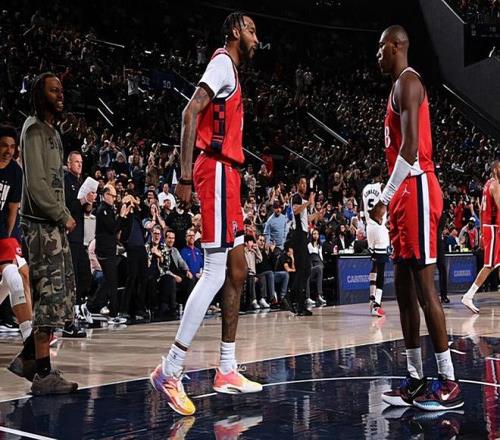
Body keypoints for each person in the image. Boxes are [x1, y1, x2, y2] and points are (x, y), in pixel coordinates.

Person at [150, 12, 262, 415]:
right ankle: (170, 369)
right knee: (215, 272)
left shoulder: (231, 70)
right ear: (234, 31)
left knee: (237, 270)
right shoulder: (221, 63)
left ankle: (227, 368)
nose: (256, 37)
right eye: (250, 30)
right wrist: (183, 174)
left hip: (227, 174)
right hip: (213, 169)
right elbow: (189, 112)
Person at [372, 26, 463, 411]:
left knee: (425, 290)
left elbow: (410, 150)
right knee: (405, 291)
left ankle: (449, 382)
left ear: (396, 46)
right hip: (403, 194)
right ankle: (414, 377)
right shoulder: (397, 87)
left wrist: (383, 199)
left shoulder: (409, 83)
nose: (377, 55)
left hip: (418, 188)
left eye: (381, 48)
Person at [19, 73, 78, 394]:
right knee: (48, 297)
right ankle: (42, 374)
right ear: (40, 95)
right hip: (41, 225)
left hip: (53, 226)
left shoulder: (53, 132)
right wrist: (62, 215)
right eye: (54, 91)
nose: (60, 95)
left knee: (61, 298)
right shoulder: (33, 130)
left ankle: (30, 361)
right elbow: (36, 184)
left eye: (61, 90)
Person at [0, 125, 37, 381]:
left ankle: (30, 345)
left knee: (17, 277)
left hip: (3, 236)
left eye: (12, 147)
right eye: (4, 145)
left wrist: (8, 240)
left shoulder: (15, 172)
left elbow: (12, 210)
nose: (8, 151)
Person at [461, 161, 500, 313]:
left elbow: (482, 210)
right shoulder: (495, 184)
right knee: (489, 265)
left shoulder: (487, 184)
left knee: (496, 263)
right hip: (493, 228)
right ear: (495, 170)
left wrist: (482, 233)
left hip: (488, 227)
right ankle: (468, 296)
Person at [64, 150, 95, 330]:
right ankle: (73, 310)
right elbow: (67, 206)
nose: (79, 165)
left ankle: (80, 304)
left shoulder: (80, 182)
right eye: (76, 162)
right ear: (69, 163)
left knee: (84, 274)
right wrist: (83, 200)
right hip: (70, 235)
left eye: (81, 162)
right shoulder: (65, 180)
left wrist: (89, 202)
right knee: (74, 274)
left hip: (80, 235)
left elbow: (86, 211)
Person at [87, 185, 127, 325]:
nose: (114, 199)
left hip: (109, 249)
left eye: (115, 196)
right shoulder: (102, 210)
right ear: (105, 195)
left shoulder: (109, 209)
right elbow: (113, 228)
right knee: (112, 281)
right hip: (105, 250)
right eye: (112, 196)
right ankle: (113, 313)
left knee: (109, 280)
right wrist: (121, 216)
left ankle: (93, 305)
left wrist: (122, 217)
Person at [290, 176, 323, 316]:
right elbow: (295, 211)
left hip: (304, 236)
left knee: (306, 270)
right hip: (298, 236)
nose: (304, 185)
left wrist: (317, 214)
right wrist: (309, 202)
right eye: (302, 183)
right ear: (298, 185)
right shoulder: (296, 197)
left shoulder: (303, 200)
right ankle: (292, 298)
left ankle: (300, 303)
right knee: (302, 270)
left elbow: (307, 219)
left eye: (305, 183)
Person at [361, 163, 389, 317]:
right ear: (380, 174)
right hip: (379, 228)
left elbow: (361, 211)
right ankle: (377, 304)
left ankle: (371, 298)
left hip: (369, 229)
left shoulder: (365, 189)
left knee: (374, 264)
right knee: (382, 268)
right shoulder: (382, 186)